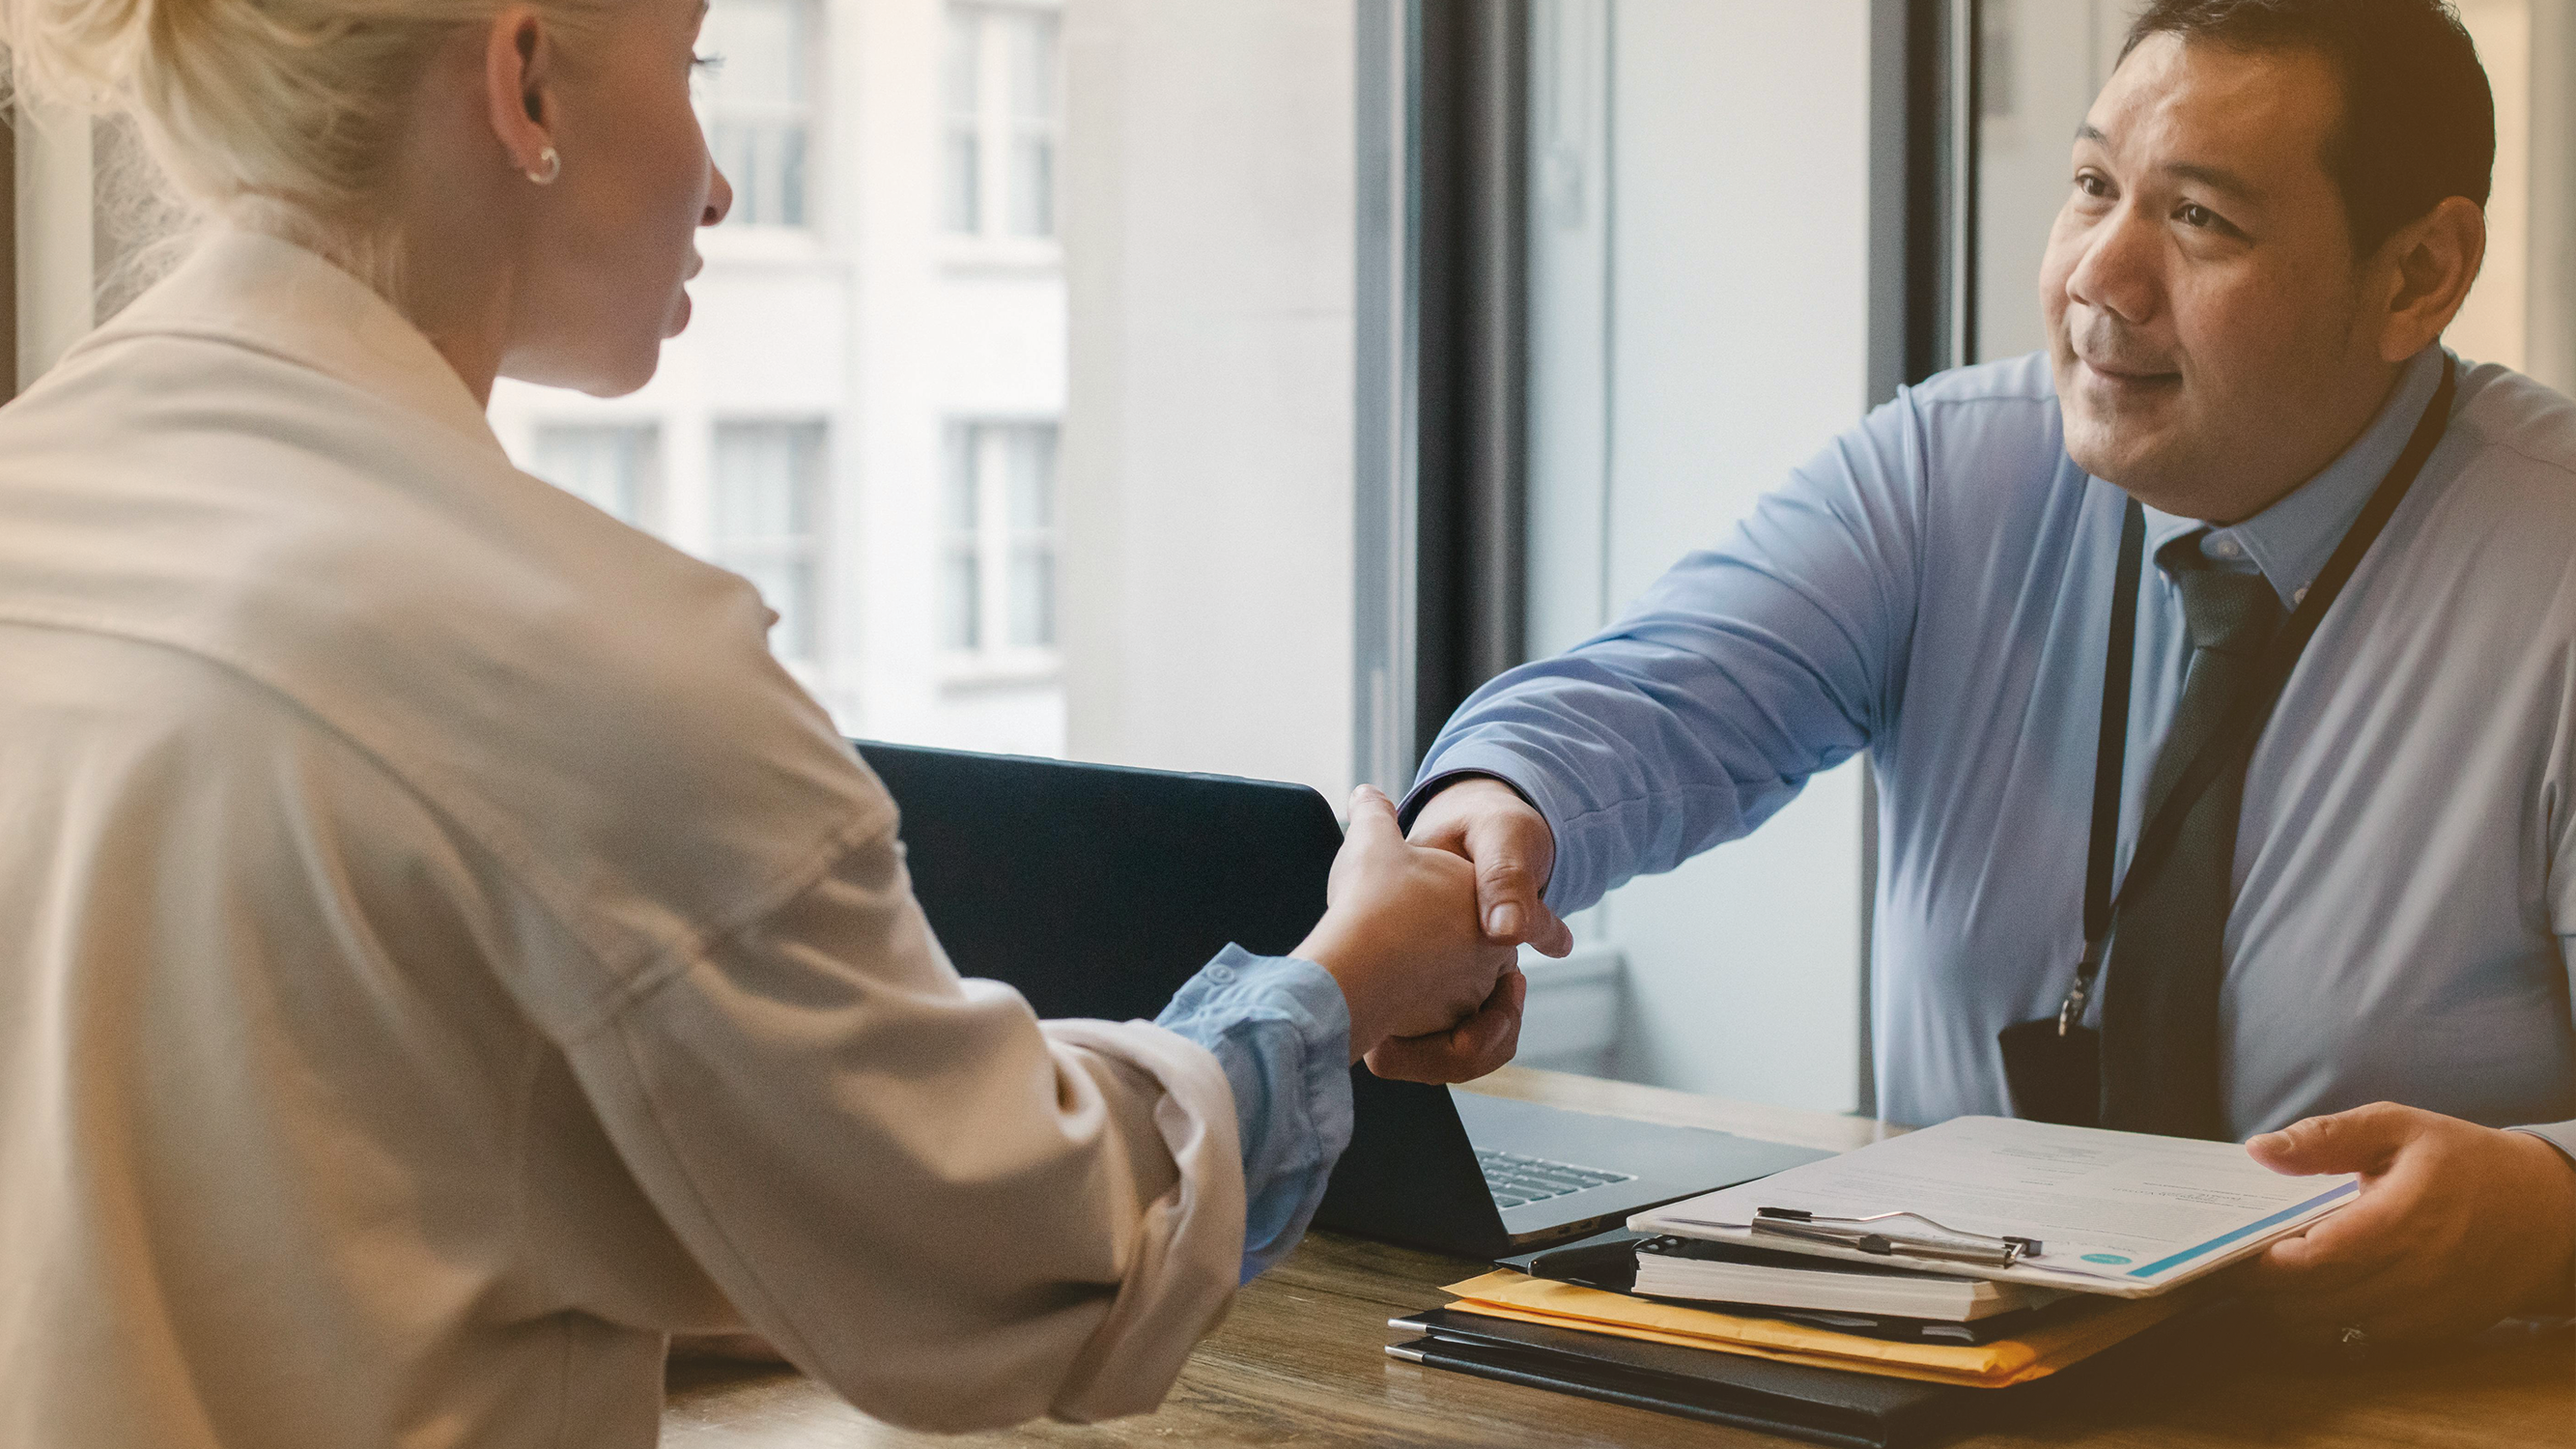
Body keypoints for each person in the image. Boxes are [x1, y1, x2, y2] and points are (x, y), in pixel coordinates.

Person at [0, 0, 1517, 1443]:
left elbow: (336, 1186)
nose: (720, 187)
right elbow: (1008, 1256)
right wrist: (1348, 981)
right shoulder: (579, 657)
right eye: (695, 65)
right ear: (525, 84)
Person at [1395, 0, 2576, 1345]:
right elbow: (1657, 696)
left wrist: (2550, 1202)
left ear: (2418, 272)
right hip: (1956, 1374)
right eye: (2089, 189)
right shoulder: (1950, 468)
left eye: (2199, 220)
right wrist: (1493, 817)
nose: (2097, 277)